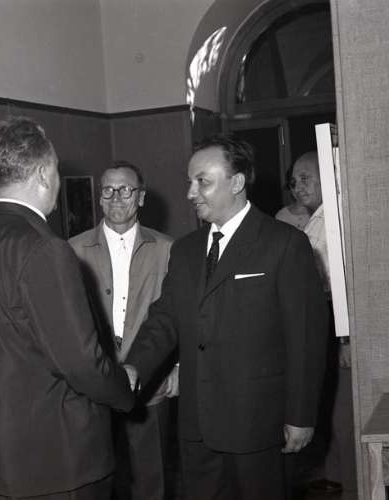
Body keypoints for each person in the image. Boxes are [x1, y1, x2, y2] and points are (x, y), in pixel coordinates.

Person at [124, 135, 328, 500]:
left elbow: (305, 338)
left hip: (257, 423)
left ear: (236, 183)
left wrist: (301, 415)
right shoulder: (185, 250)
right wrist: (134, 368)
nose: (190, 192)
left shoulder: (284, 244)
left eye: (202, 181)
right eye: (190, 181)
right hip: (197, 426)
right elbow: (164, 318)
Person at [0, 117, 134, 500]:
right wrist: (123, 389)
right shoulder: (44, 248)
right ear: (43, 174)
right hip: (56, 463)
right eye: (56, 170)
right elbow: (81, 363)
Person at [69, 161, 178, 500]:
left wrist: (177, 367)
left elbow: (179, 315)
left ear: (141, 197)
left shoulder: (168, 249)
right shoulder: (72, 250)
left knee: (152, 478)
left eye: (125, 189)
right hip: (94, 384)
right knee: (97, 479)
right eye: (108, 190)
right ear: (99, 197)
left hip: (151, 382)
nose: (116, 197)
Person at [291, 151, 356, 495]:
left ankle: (354, 484)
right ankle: (336, 472)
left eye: (306, 178)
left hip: (337, 325)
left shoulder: (333, 219)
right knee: (331, 407)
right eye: (294, 182)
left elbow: (343, 286)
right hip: (325, 322)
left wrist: (345, 338)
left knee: (344, 413)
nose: (298, 188)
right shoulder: (316, 220)